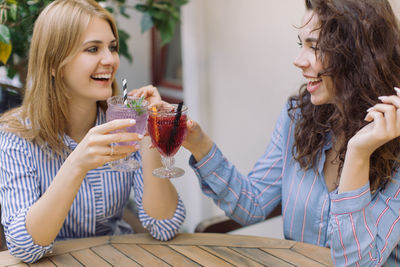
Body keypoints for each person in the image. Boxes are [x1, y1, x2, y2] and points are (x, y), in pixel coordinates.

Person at [143, 0, 400, 265]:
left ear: (358, 54)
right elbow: (251, 205)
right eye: (302, 45)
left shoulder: (396, 147)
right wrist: (198, 142)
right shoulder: (299, 117)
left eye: (315, 47)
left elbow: (359, 263)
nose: (298, 61)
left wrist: (359, 153)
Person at [0, 0, 185, 263]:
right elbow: (24, 248)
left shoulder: (124, 125)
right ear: (53, 64)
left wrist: (147, 133)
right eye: (92, 49)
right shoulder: (15, 136)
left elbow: (164, 227)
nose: (110, 60)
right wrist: (77, 163)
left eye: (112, 47)